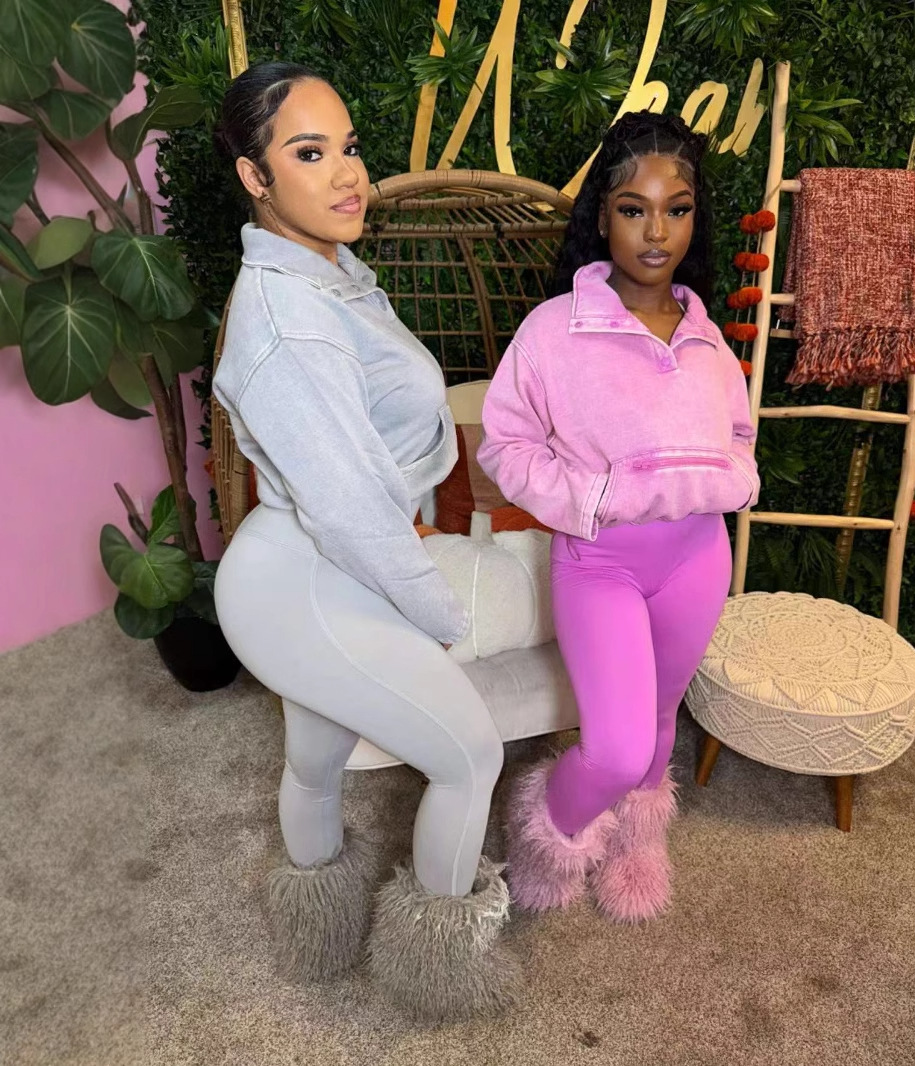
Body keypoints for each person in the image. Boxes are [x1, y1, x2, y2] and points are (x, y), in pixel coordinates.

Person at [211, 62, 521, 1022]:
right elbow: (348, 510)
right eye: (309, 153)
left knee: (317, 757)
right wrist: (434, 609)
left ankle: (318, 934)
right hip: (304, 578)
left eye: (347, 147)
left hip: (314, 562)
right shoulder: (290, 320)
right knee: (469, 756)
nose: (348, 174)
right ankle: (436, 970)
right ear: (255, 177)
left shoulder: (329, 272)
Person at [478, 111, 759, 923]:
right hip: (599, 561)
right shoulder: (553, 332)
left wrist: (736, 477)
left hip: (697, 559)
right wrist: (592, 498)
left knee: (661, 723)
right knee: (614, 747)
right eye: (635, 208)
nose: (656, 231)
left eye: (678, 209)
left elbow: (739, 436)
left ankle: (638, 842)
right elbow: (504, 447)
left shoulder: (708, 338)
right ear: (602, 215)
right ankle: (547, 836)